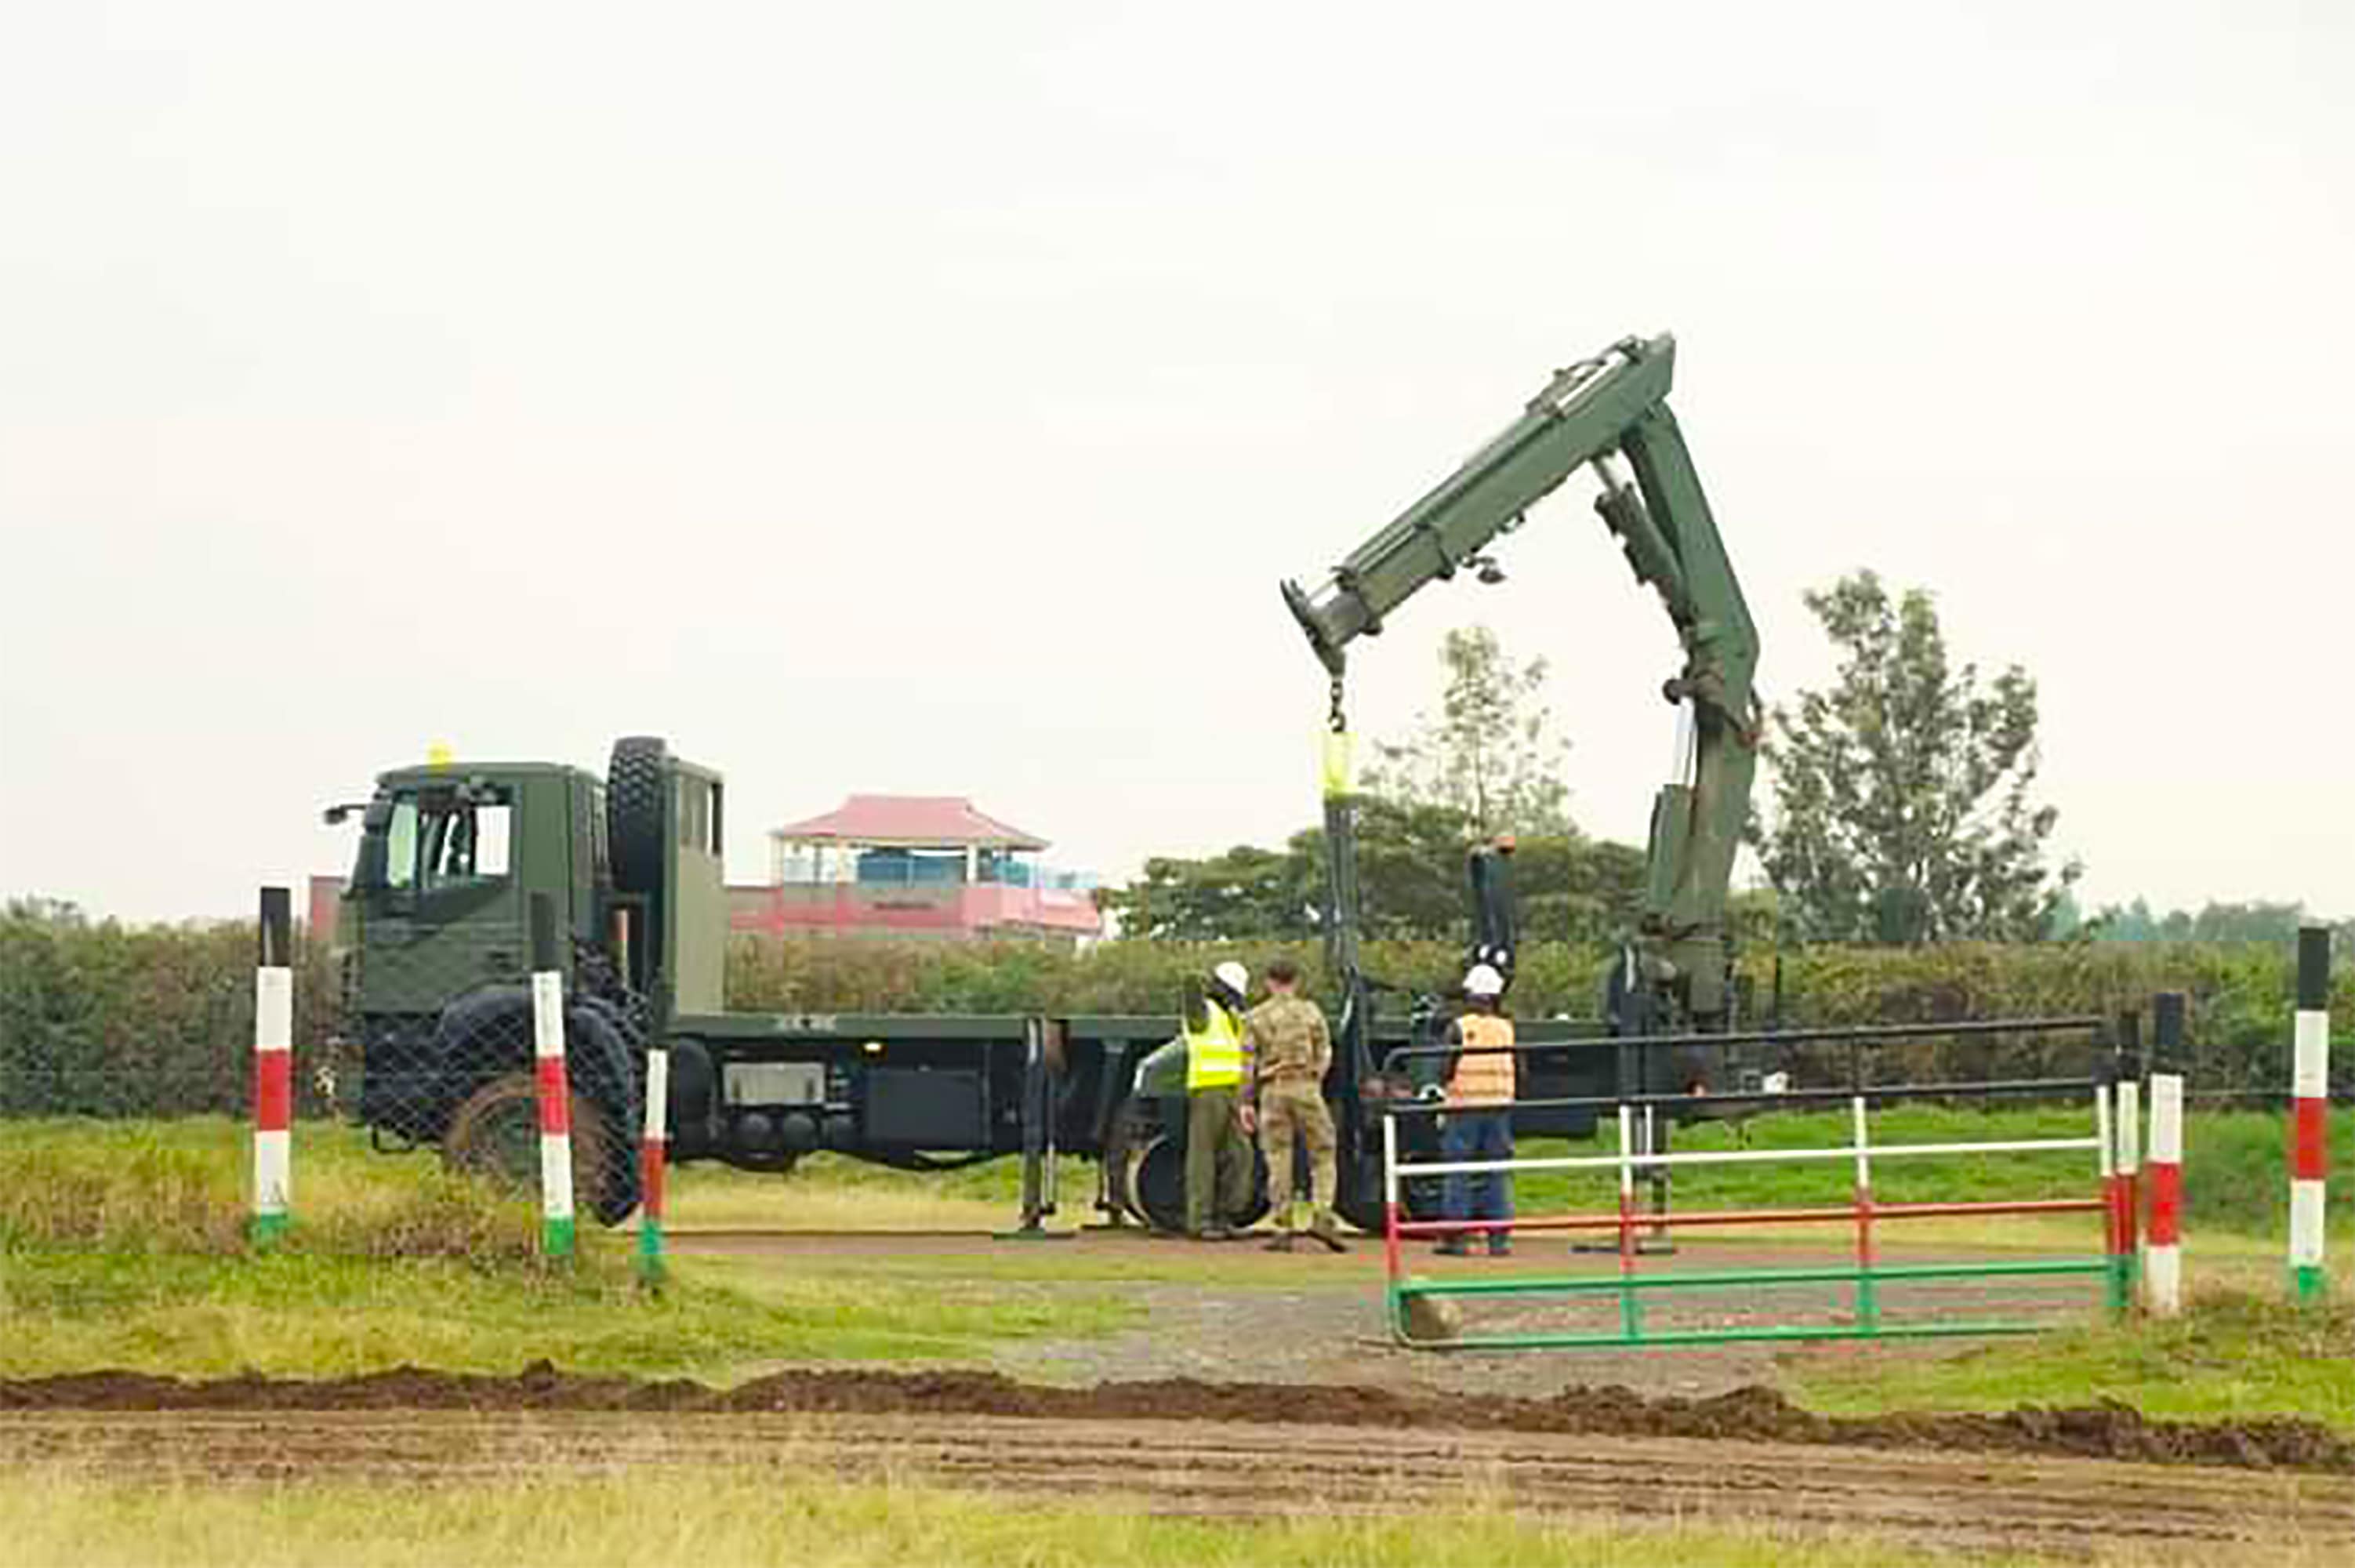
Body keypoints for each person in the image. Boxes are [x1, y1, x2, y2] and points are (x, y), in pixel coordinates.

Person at [1240, 958, 1346, 1253]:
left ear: (1269, 982)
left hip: (1272, 1091)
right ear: (1296, 981)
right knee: (1323, 1155)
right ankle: (1323, 1216)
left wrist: (1246, 1102)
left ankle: (1281, 1227)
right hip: (1307, 1086)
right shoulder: (1311, 1012)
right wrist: (1314, 1076)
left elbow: (1247, 1064)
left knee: (1277, 1157)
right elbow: (1326, 1051)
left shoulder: (1255, 1018)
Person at [1437, 962, 1516, 1257]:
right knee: (1497, 1170)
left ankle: (1456, 1237)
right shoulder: (1506, 1029)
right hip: (1498, 1108)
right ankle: (1499, 1238)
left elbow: (1445, 1069)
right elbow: (1519, 1068)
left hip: (1464, 1107)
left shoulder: (1459, 1027)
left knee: (1459, 1169)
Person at [1183, 960, 1257, 1240]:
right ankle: (1199, 1221)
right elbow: (1190, 985)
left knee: (1241, 1156)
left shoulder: (1233, 1017)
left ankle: (1226, 1216)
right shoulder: (1202, 1013)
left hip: (1233, 1093)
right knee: (1202, 1159)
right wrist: (1202, 980)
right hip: (1207, 1090)